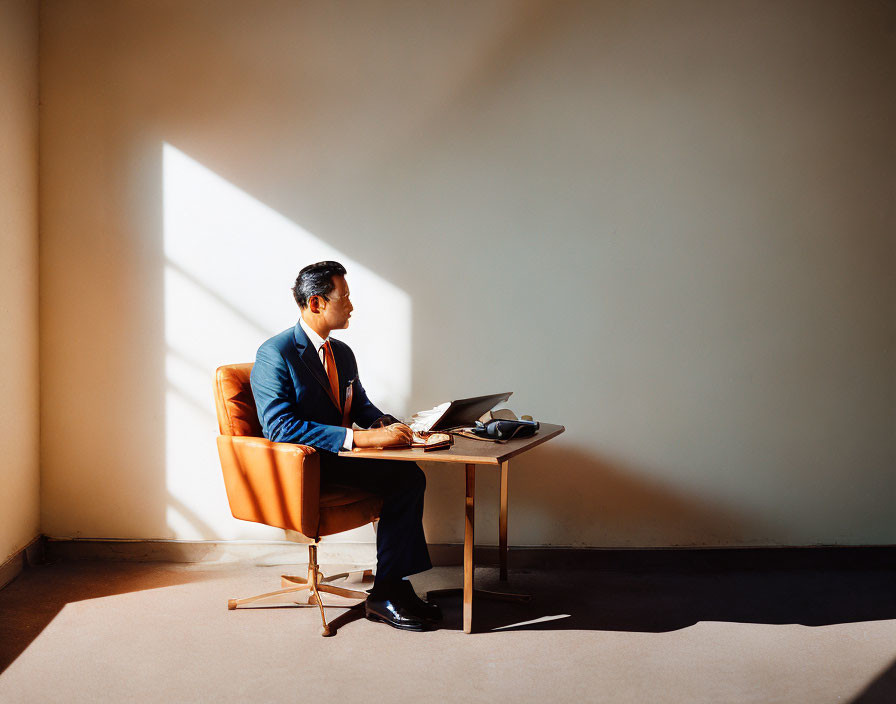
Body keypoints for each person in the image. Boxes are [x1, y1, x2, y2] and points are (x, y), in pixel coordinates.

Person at [250, 260, 441, 631]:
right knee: (406, 479)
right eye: (345, 297)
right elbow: (278, 426)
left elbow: (361, 406)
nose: (351, 306)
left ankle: (393, 588)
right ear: (317, 303)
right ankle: (388, 592)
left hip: (340, 459)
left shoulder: (343, 353)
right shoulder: (275, 353)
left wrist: (393, 426)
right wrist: (362, 438)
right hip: (307, 467)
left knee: (407, 473)